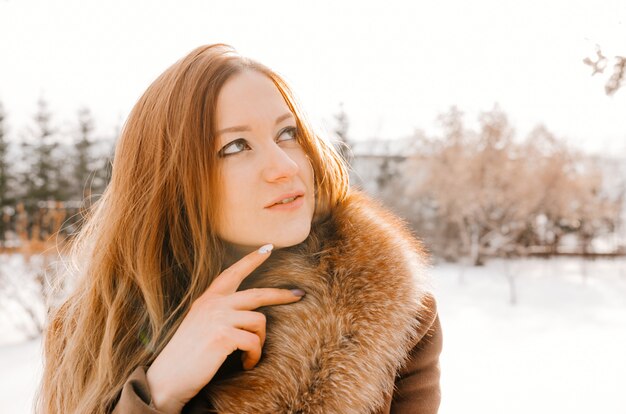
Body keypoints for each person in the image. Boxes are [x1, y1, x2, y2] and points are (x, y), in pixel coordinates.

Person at [38, 44, 442, 414]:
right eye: (236, 147)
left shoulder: (393, 315)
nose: (285, 166)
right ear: (170, 182)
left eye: (288, 134)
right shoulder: (87, 337)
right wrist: (158, 392)